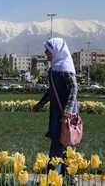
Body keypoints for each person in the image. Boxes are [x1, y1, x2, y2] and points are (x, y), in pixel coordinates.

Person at [33, 38, 79, 174]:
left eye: (48, 50)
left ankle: (53, 178)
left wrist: (68, 111)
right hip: (57, 113)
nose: (45, 52)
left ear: (56, 51)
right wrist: (41, 104)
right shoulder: (55, 67)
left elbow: (73, 89)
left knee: (59, 147)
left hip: (65, 115)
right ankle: (64, 178)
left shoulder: (65, 68)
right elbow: (52, 90)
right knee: (61, 146)